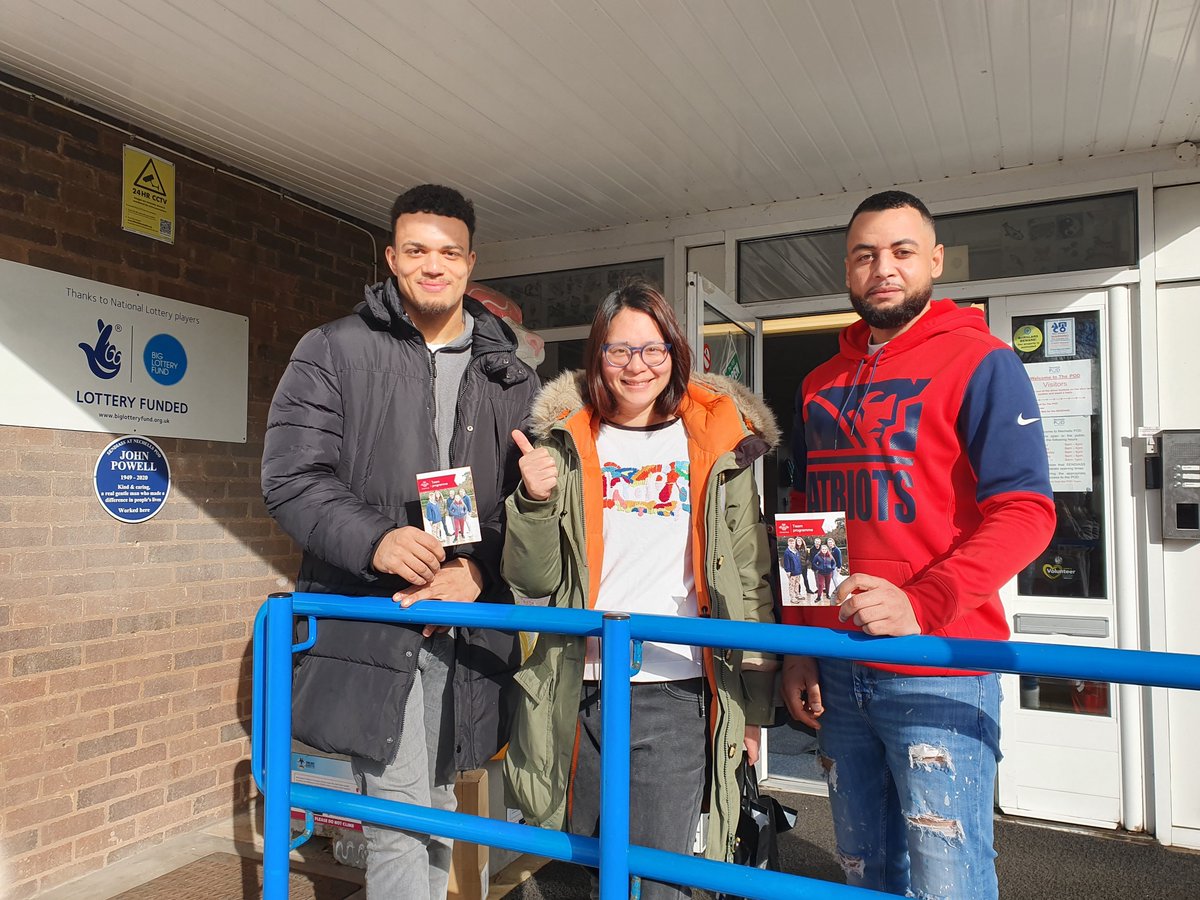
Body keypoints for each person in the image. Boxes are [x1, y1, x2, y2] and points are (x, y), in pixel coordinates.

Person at [261, 184, 540, 900]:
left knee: (439, 804)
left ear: (471, 262)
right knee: (396, 816)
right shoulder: (332, 349)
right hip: (371, 616)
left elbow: (526, 509)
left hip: (464, 624)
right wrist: (378, 541)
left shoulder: (511, 374)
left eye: (449, 252)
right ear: (391, 258)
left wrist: (478, 571)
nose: (433, 265)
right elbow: (290, 478)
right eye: (416, 250)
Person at [780, 190, 1055, 899]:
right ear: (847, 269)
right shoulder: (818, 384)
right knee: (862, 868)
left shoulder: (983, 361)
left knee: (948, 879)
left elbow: (1027, 512)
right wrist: (800, 644)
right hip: (838, 662)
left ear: (935, 260)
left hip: (939, 664)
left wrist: (923, 602)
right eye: (865, 255)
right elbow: (809, 519)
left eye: (902, 252)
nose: (883, 268)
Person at [501, 280, 778, 900]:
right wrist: (534, 501)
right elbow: (532, 579)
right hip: (579, 684)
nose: (637, 366)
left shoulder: (716, 444)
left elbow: (748, 578)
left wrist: (752, 709)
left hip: (677, 688)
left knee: (659, 878)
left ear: (676, 354)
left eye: (654, 349)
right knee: (586, 858)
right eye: (619, 350)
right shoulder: (566, 443)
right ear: (597, 355)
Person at [783, 536, 804, 601]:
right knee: (792, 585)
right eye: (791, 543)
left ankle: (797, 594)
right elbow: (786, 563)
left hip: (798, 571)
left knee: (797, 584)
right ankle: (792, 598)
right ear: (788, 543)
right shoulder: (787, 552)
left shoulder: (796, 551)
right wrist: (788, 571)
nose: (792, 544)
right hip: (792, 572)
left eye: (793, 543)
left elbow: (798, 561)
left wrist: (800, 570)